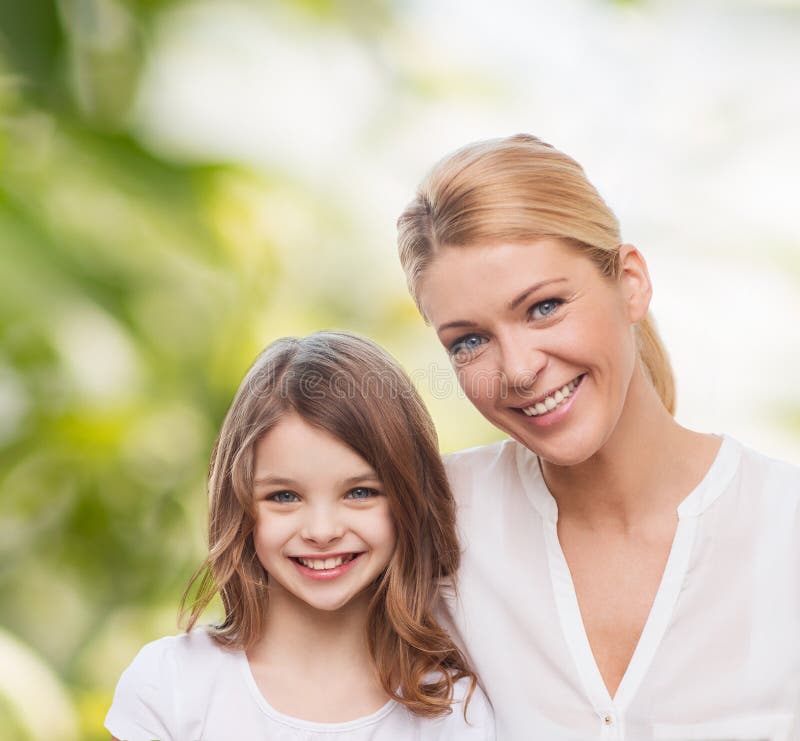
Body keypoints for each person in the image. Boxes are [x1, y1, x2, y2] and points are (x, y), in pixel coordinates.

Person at [397, 134, 800, 740]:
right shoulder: (435, 523)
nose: (519, 368)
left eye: (544, 307)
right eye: (469, 341)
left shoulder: (782, 527)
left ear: (631, 282)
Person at [105, 331, 494, 740]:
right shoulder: (171, 687)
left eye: (360, 492)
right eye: (285, 496)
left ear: (408, 500)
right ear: (239, 506)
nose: (321, 532)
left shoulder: (454, 711)